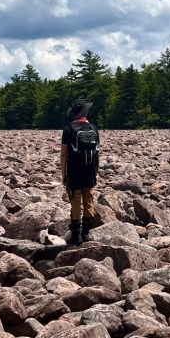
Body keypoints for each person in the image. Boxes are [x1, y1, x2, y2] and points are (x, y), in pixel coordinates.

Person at [60, 97, 99, 245]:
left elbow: (64, 154)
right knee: (88, 200)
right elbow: (97, 153)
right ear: (86, 112)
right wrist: (96, 171)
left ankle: (76, 235)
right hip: (89, 171)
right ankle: (86, 233)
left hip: (74, 172)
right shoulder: (93, 129)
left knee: (75, 201)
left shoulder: (69, 129)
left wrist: (63, 174)